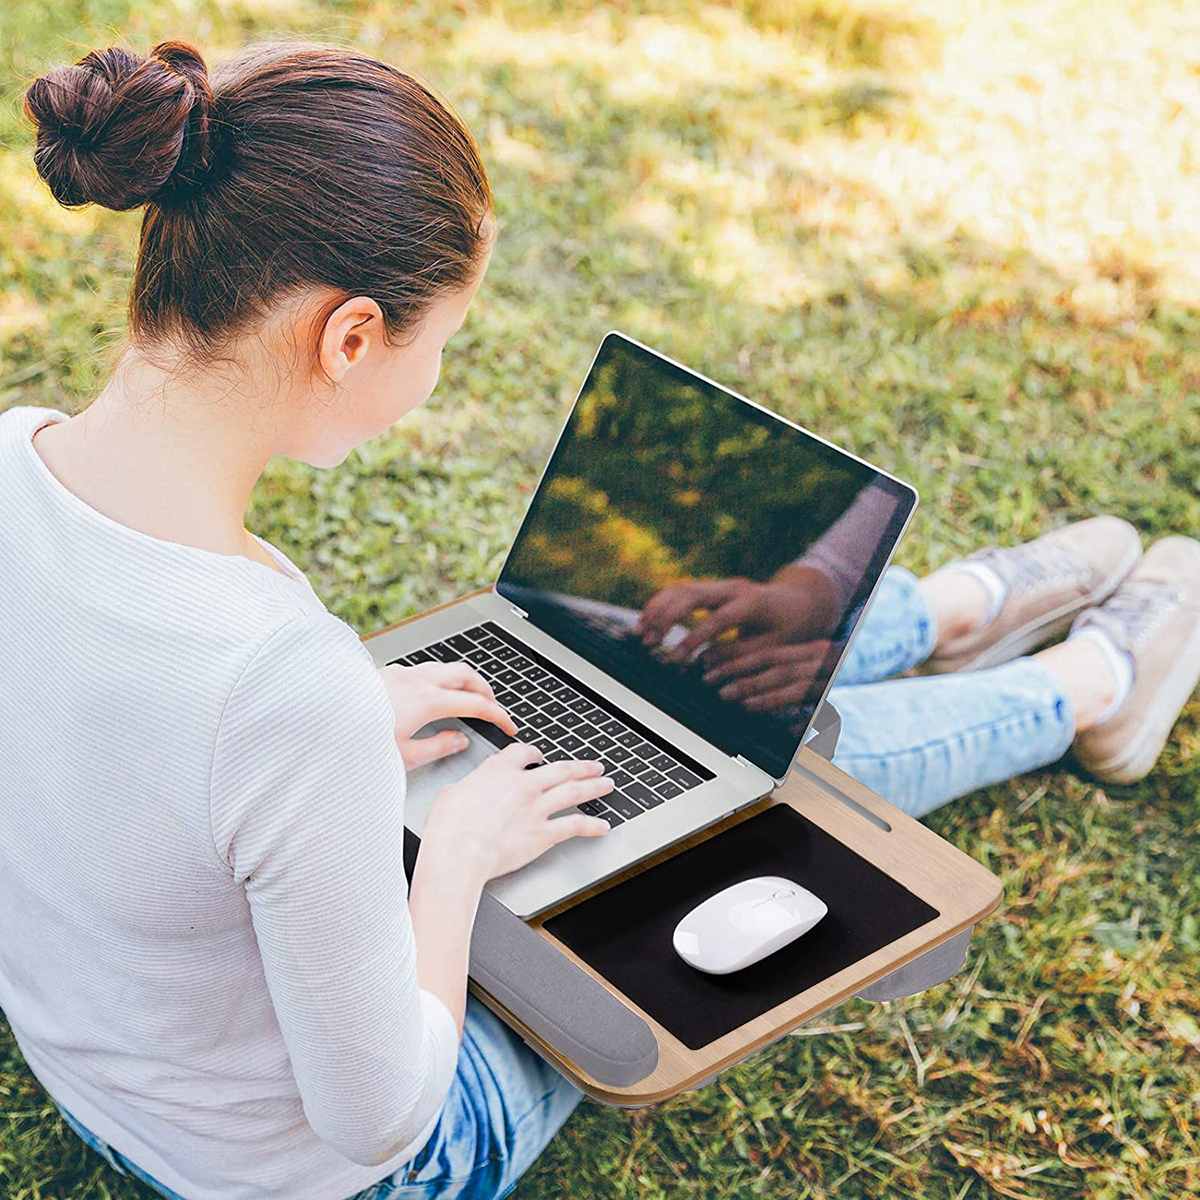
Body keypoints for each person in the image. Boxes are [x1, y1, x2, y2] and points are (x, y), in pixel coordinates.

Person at [2, 35, 1197, 1200]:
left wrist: (334, 732)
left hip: (106, 1076)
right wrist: (457, 855)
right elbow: (377, 1121)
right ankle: (1091, 684)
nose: (436, 377)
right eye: (444, 342)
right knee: (740, 777)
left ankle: (943, 614)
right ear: (351, 335)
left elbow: (123, 739)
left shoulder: (16, 461)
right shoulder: (278, 686)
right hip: (308, 1170)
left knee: (675, 703)